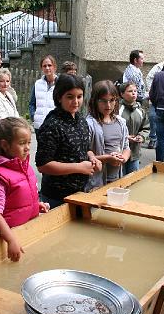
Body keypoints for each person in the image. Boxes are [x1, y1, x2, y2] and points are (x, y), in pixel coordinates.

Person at [0, 117, 50, 262]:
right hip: (2, 241)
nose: (27, 148)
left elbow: (19, 198)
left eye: (29, 142)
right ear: (5, 145)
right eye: (22, 143)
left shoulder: (23, 166)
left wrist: (35, 205)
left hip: (24, 233)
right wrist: (11, 240)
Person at [35, 73, 102, 208]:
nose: (76, 102)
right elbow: (43, 165)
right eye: (70, 97)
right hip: (56, 197)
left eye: (79, 96)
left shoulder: (81, 120)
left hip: (79, 192)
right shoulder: (52, 125)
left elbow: (86, 148)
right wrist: (79, 167)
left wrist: (92, 157)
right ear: (59, 97)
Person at [86, 80, 130, 190]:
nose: (108, 105)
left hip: (117, 179)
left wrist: (123, 158)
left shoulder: (121, 122)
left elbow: (126, 147)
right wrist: (108, 158)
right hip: (96, 182)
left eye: (112, 100)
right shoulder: (89, 124)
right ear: (95, 101)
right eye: (103, 101)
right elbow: (85, 154)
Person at [119, 81, 149, 174]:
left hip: (135, 152)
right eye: (130, 91)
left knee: (133, 178)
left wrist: (141, 136)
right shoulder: (117, 110)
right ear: (122, 94)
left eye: (135, 91)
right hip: (120, 152)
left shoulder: (140, 111)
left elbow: (146, 127)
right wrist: (125, 137)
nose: (133, 93)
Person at [29, 55, 58, 130]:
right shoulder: (37, 84)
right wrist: (33, 116)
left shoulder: (60, 84)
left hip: (54, 126)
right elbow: (32, 103)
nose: (47, 68)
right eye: (44, 66)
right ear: (41, 68)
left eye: (49, 65)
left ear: (54, 67)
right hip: (39, 125)